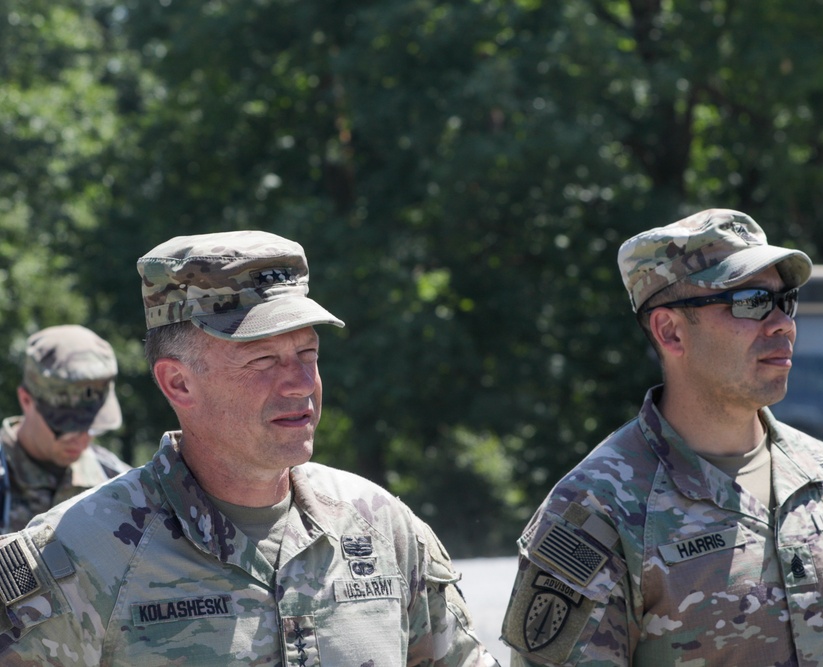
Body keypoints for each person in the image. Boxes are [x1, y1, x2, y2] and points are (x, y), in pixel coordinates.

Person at [0, 230, 498, 666]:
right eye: (262, 360)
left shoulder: (384, 529)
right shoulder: (78, 556)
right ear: (178, 384)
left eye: (308, 354)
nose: (301, 383)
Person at [501, 209, 823, 665]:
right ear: (670, 332)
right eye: (751, 301)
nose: (783, 323)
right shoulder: (596, 512)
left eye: (786, 300)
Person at [0, 324, 131, 533]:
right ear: (26, 400)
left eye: (93, 427)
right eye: (67, 426)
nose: (82, 439)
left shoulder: (119, 486)